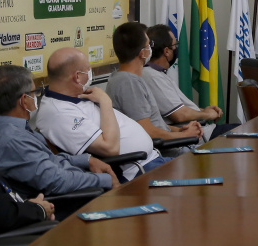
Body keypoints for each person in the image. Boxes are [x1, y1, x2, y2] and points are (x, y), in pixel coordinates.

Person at [0, 65, 118, 197]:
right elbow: (57, 182)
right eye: (34, 92)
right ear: (24, 100)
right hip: (65, 205)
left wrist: (86, 160)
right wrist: (104, 180)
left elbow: (46, 160)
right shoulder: (11, 139)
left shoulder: (0, 126)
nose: (36, 97)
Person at [35, 47, 167, 181]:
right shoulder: (58, 114)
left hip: (152, 159)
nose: (90, 73)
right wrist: (105, 102)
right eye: (88, 70)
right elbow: (110, 149)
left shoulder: (75, 95)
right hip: (137, 171)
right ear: (77, 77)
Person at [106, 22, 203, 149]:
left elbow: (154, 124)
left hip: (172, 144)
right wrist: (185, 136)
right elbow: (148, 131)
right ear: (143, 53)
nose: (151, 49)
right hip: (169, 153)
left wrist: (180, 131)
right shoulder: (128, 83)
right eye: (149, 45)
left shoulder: (125, 78)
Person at [144, 24, 236, 141]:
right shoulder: (152, 76)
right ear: (166, 51)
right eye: (174, 45)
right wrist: (208, 115)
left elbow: (178, 107)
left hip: (201, 130)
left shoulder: (159, 73)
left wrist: (204, 110)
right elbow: (180, 115)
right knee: (247, 132)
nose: (176, 49)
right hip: (195, 136)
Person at [0, 140, 55, 239]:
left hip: (15, 211)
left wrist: (28, 206)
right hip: (7, 239)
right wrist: (39, 210)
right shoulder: (8, 137)